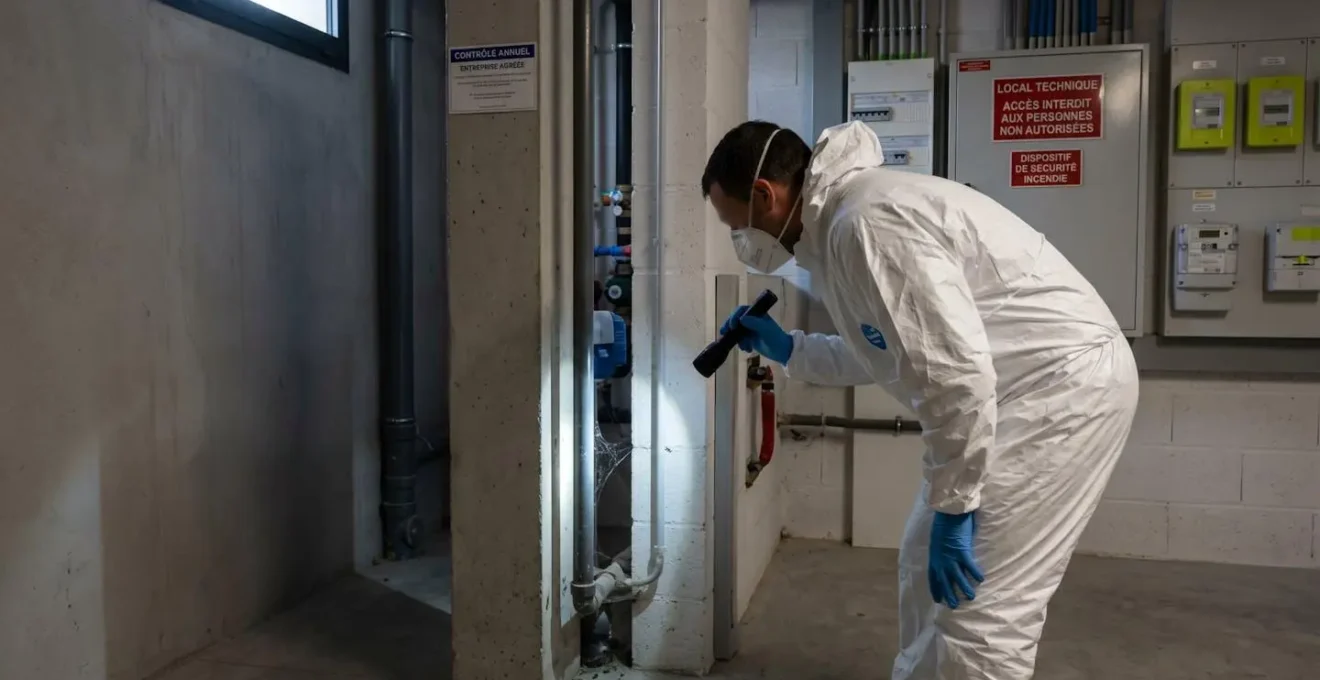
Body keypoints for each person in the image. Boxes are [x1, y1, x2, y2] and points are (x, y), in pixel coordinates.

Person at [702, 120, 1139, 680]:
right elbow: (889, 348)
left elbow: (954, 377)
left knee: (980, 607)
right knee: (922, 562)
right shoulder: (841, 226)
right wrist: (790, 347)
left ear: (766, 195)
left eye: (735, 225)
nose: (741, 241)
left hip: (1059, 392)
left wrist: (955, 509)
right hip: (1022, 388)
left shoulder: (865, 223)